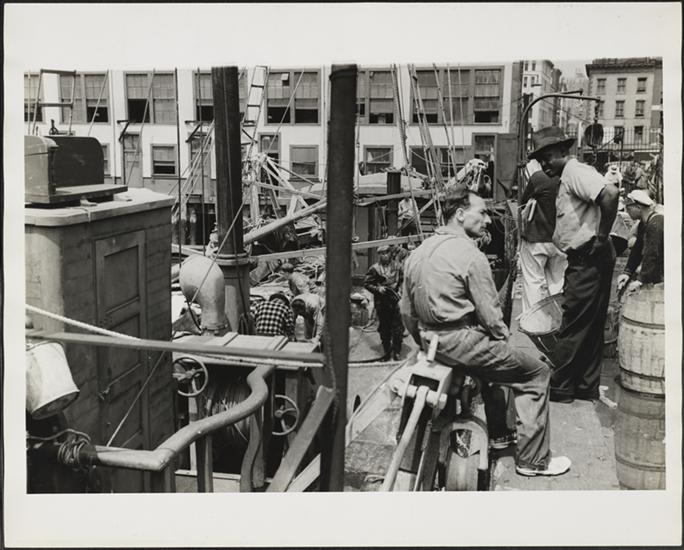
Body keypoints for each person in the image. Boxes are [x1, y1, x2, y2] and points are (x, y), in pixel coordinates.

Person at [400, 186, 571, 476]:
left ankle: (501, 435)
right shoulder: (471, 255)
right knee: (535, 372)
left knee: (495, 363)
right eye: (481, 213)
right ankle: (533, 461)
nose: (488, 220)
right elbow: (492, 318)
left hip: (431, 341)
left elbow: (406, 312)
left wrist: (425, 343)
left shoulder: (418, 252)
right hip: (462, 343)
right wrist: (504, 343)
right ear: (460, 214)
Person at [530, 126, 619, 403]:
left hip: (589, 255)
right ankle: (585, 386)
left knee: (573, 322)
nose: (544, 164)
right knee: (590, 324)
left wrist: (601, 237)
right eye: (540, 160)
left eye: (547, 157)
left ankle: (561, 387)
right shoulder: (568, 175)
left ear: (562, 151)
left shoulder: (575, 172)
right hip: (589, 255)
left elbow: (610, 194)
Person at [519, 166, 567, 313]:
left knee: (533, 283)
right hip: (561, 240)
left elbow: (523, 201)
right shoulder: (570, 178)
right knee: (558, 283)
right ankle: (557, 318)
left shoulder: (538, 177)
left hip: (536, 238)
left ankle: (533, 320)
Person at [616, 189, 664, 294]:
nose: (627, 211)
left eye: (628, 208)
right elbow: (637, 249)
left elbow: (652, 254)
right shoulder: (643, 223)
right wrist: (627, 272)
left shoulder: (656, 223)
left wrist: (641, 279)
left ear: (638, 208)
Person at [364, 245, 404, 361]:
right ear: (379, 255)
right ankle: (387, 352)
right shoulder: (374, 269)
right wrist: (378, 289)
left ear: (390, 253)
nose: (385, 255)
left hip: (395, 301)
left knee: (398, 328)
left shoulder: (398, 266)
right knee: (384, 328)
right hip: (382, 302)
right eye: (382, 253)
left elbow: (403, 280)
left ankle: (397, 351)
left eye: (386, 252)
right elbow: (367, 283)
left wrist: (400, 290)